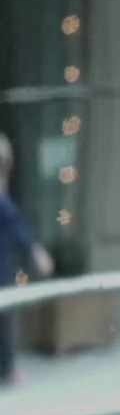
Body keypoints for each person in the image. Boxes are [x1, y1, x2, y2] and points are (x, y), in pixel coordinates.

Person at [0, 132, 57, 387]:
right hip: (2, 270)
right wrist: (37, 253)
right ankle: (7, 370)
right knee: (4, 321)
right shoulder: (3, 202)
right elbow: (20, 230)